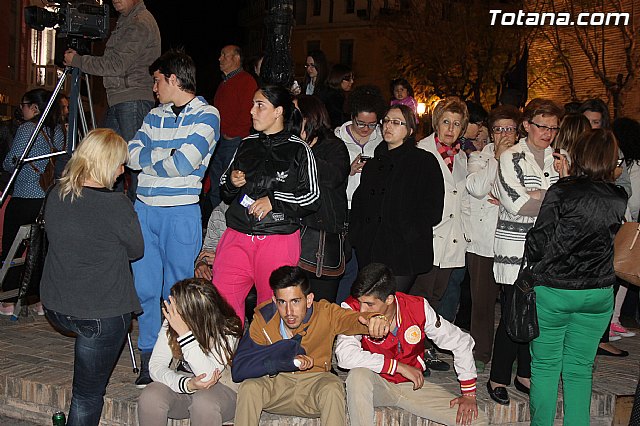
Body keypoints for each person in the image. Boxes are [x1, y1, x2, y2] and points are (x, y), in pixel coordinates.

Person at [128, 49, 220, 387]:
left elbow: (186, 163)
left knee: (178, 291)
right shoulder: (155, 116)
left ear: (173, 79)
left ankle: (179, 356)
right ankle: (150, 355)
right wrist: (167, 156)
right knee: (146, 288)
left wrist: (156, 158)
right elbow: (131, 155)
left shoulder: (208, 115)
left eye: (157, 80)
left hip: (180, 212)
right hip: (145, 210)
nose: (153, 88)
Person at [40, 128, 144, 426]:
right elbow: (136, 250)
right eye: (121, 163)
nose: (123, 169)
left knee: (86, 378)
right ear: (106, 163)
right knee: (87, 396)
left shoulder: (57, 193)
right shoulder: (116, 204)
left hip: (57, 306)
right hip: (99, 313)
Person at [527, 129, 627, 425]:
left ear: (579, 154)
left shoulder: (563, 190)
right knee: (580, 369)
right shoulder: (618, 196)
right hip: (598, 293)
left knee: (545, 368)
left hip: (555, 290)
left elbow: (539, 241)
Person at [233, 265, 392, 426]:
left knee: (332, 387)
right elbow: (239, 368)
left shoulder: (325, 313)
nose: (289, 311)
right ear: (275, 301)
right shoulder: (263, 319)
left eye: (295, 301)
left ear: (308, 300)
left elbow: (352, 320)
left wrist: (375, 319)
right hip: (276, 385)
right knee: (249, 387)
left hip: (314, 385)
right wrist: (283, 362)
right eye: (282, 302)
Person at [212, 85, 320, 320]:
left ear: (278, 111)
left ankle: (268, 356)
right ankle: (226, 356)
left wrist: (274, 201)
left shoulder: (299, 149)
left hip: (277, 239)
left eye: (260, 105)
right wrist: (231, 182)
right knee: (222, 306)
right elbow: (224, 189)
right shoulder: (246, 143)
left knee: (271, 311)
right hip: (237, 235)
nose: (252, 111)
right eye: (253, 104)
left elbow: (312, 197)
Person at [336, 263, 488, 426]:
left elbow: (460, 341)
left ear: (389, 299)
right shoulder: (351, 309)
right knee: (358, 376)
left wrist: (469, 394)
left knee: (478, 421)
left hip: (412, 386)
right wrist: (397, 367)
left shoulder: (417, 307)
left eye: (369, 304)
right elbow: (345, 356)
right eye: (360, 302)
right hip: (376, 385)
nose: (362, 309)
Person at [487, 98, 564, 405]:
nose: (547, 132)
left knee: (538, 314)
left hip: (546, 250)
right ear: (528, 125)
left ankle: (525, 374)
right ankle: (498, 376)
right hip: (514, 248)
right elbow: (514, 203)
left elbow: (566, 201)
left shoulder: (560, 158)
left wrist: (538, 196)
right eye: (541, 125)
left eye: (553, 127)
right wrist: (548, 198)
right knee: (511, 313)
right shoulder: (512, 156)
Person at [63, 0, 160, 201]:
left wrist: (79, 61)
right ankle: (112, 216)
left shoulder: (139, 22)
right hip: (121, 99)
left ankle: (136, 222)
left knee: (136, 168)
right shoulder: (127, 21)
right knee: (106, 162)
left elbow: (116, 65)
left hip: (132, 99)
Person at [350, 104, 444, 293]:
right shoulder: (373, 164)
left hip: (404, 251)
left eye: (396, 122)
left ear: (409, 130)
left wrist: (409, 232)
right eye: (386, 121)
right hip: (370, 250)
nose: (388, 126)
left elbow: (432, 207)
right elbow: (361, 203)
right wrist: (358, 237)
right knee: (371, 306)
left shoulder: (423, 161)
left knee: (392, 306)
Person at [137, 278, 243, 426]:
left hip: (221, 392)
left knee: (203, 402)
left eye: (176, 304)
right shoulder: (174, 320)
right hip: (185, 386)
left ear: (194, 312)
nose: (171, 308)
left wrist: (185, 335)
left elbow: (207, 377)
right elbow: (155, 366)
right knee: (151, 395)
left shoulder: (228, 328)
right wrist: (187, 384)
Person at [465, 105, 521, 373]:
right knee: (483, 304)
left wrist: (507, 201)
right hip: (483, 242)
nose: (504, 134)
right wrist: (498, 158)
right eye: (499, 129)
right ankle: (480, 351)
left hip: (515, 243)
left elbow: (527, 196)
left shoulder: (525, 159)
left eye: (509, 129)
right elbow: (476, 188)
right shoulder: (479, 156)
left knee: (514, 303)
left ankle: (509, 355)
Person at [1, 89, 65, 316]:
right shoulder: (58, 130)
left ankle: (9, 301)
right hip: (47, 198)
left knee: (13, 246)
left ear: (35, 108)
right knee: (43, 249)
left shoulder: (28, 129)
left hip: (25, 197)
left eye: (24, 105)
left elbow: (11, 162)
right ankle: (41, 300)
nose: (22, 109)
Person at [411, 97, 469, 322]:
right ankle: (413, 345)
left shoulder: (462, 157)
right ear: (436, 123)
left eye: (456, 124)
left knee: (438, 296)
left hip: (453, 239)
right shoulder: (421, 151)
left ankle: (427, 344)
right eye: (446, 122)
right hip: (429, 236)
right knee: (420, 296)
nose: (450, 129)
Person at [333, 85, 386, 303]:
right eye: (361, 123)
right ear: (352, 117)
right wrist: (349, 171)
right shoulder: (336, 140)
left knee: (363, 271)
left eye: (372, 125)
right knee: (342, 268)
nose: (366, 129)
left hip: (369, 213)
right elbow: (327, 180)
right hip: (343, 211)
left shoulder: (382, 140)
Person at [295, 95, 350, 302]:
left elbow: (333, 177)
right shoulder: (288, 145)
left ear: (309, 117)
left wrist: (301, 150)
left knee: (320, 310)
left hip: (322, 242)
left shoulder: (333, 146)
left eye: (295, 113)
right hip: (292, 235)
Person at [208, 45, 258, 211]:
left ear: (236, 58)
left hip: (232, 141)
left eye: (224, 55)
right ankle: (216, 222)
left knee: (230, 183)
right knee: (217, 184)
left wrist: (232, 134)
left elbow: (247, 114)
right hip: (219, 141)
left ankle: (229, 222)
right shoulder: (224, 83)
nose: (220, 58)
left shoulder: (246, 81)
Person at [321, 64, 354, 129]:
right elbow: (338, 120)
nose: (352, 82)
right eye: (348, 79)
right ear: (338, 79)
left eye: (352, 78)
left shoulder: (327, 92)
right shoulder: (334, 97)